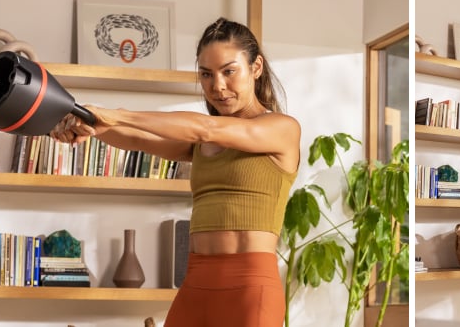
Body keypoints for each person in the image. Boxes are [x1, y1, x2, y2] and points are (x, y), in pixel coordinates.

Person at [50, 18, 300, 327]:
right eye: (206, 74)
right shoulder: (200, 142)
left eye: (229, 71)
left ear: (256, 67)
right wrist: (92, 127)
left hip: (250, 284)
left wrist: (116, 115)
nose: (217, 86)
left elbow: (205, 127)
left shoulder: (281, 129)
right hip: (196, 279)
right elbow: (137, 140)